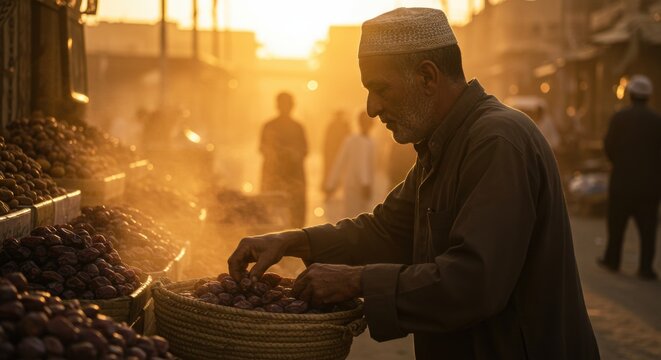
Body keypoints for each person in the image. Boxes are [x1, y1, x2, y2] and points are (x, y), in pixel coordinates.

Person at [230, 8, 598, 359]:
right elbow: (385, 231)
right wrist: (292, 240)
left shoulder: (496, 141)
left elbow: (475, 282)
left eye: (381, 89)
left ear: (427, 77)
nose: (372, 108)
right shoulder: (444, 145)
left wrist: (357, 282)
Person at [599, 74, 661, 280]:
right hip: (650, 185)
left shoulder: (619, 117)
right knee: (647, 228)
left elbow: (608, 146)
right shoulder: (656, 121)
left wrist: (620, 163)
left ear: (631, 95)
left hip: (622, 182)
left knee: (616, 223)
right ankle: (645, 268)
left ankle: (612, 259)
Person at [259, 92, 308, 228]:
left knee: (294, 222)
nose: (285, 107)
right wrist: (278, 154)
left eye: (288, 104)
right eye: (282, 104)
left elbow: (304, 151)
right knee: (271, 219)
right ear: (277, 106)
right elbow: (263, 149)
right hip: (273, 179)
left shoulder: (298, 128)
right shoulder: (269, 126)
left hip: (294, 179)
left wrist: (292, 154)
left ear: (292, 106)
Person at [324, 111, 375, 219]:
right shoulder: (351, 140)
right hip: (354, 188)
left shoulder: (371, 142)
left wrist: (368, 185)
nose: (366, 124)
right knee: (353, 219)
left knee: (364, 220)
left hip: (363, 188)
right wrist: (331, 185)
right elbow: (340, 163)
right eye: (364, 122)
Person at [322, 110, 351, 189]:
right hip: (332, 152)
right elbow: (327, 141)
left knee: (342, 170)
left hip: (342, 151)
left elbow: (348, 138)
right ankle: (329, 187)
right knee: (330, 169)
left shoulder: (345, 125)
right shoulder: (331, 126)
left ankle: (338, 186)